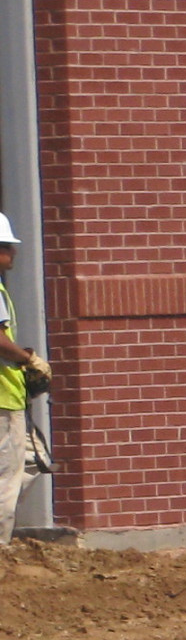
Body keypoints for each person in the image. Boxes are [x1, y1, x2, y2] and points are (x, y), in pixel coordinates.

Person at [0, 214, 48, 544]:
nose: (13, 252)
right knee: (6, 480)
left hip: (10, 400)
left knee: (33, 460)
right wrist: (27, 359)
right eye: (6, 246)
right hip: (4, 404)